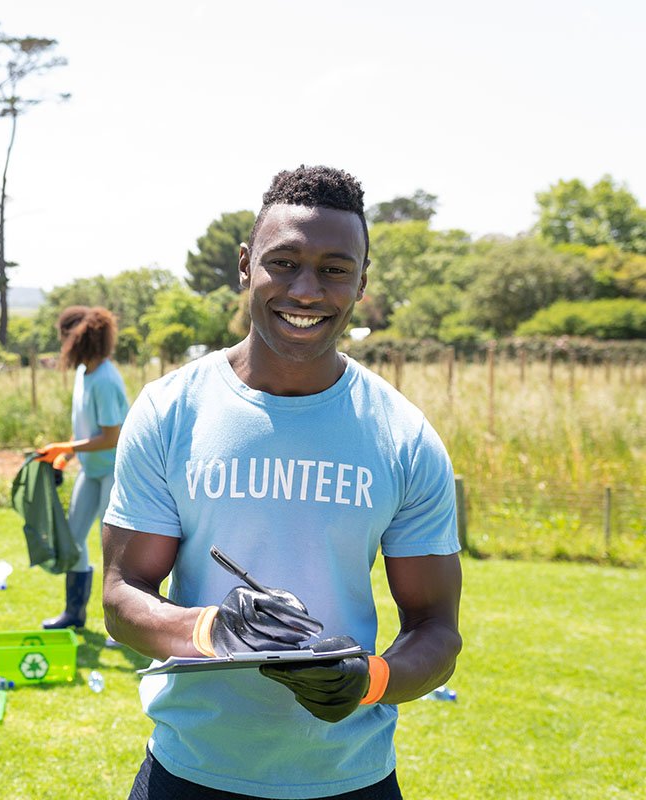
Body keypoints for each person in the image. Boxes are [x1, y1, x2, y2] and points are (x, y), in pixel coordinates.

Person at [102, 165, 463, 799]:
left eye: (334, 269)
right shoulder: (169, 410)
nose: (306, 290)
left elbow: (436, 629)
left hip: (350, 779)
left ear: (361, 282)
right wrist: (213, 630)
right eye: (284, 262)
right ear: (246, 265)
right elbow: (122, 595)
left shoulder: (403, 434)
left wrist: (370, 679)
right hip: (188, 772)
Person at [36, 306, 129, 636]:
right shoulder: (83, 373)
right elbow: (87, 428)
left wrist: (65, 447)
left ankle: (122, 628)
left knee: (114, 551)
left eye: (64, 338)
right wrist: (66, 456)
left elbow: (112, 437)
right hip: (91, 470)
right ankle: (74, 614)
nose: (62, 346)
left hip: (115, 471)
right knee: (73, 538)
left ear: (78, 339)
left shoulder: (105, 380)